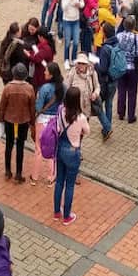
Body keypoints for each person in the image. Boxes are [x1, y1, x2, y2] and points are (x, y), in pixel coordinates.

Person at [54, 87, 90, 225]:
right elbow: (87, 131)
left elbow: (58, 127)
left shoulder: (60, 111)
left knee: (59, 182)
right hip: (73, 151)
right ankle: (67, 216)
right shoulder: (80, 118)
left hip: (60, 148)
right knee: (69, 185)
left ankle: (57, 212)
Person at [0, 63, 36, 183]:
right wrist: (32, 122)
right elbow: (32, 108)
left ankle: (7, 171)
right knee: (20, 146)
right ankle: (18, 174)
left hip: (9, 120)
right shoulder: (29, 88)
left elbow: (2, 106)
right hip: (23, 120)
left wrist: (1, 120)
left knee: (8, 145)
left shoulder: (8, 87)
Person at [116, 16, 138, 123]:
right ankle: (131, 116)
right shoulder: (136, 37)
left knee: (121, 90)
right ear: (134, 26)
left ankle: (121, 113)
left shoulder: (118, 36)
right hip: (132, 68)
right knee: (132, 92)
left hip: (121, 67)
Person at [59, 0, 84, 68]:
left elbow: (83, 4)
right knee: (67, 41)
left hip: (76, 19)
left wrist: (79, 4)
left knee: (76, 42)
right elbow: (63, 7)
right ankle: (66, 59)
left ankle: (73, 59)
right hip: (67, 20)